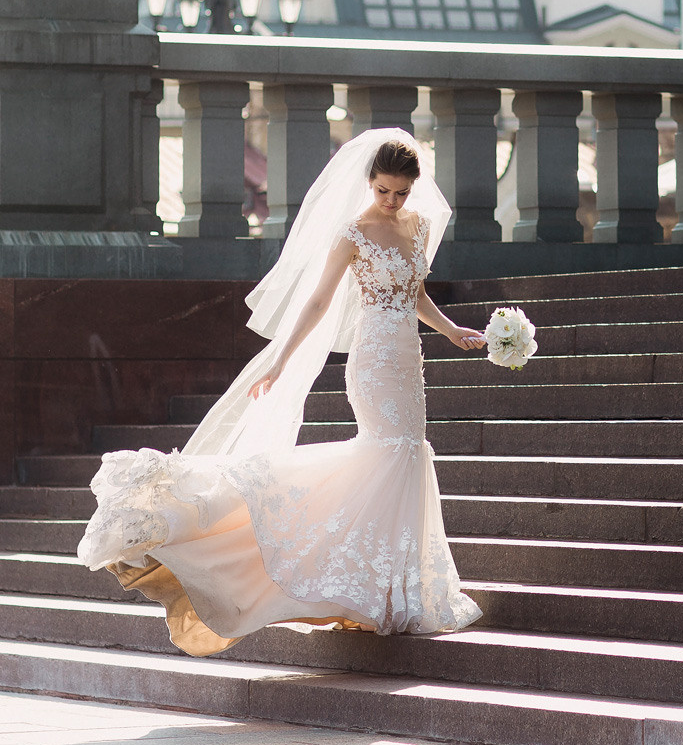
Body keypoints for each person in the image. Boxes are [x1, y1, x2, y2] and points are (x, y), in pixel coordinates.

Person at [77, 128, 486, 656]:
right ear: (370, 182)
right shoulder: (354, 231)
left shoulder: (418, 226)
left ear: (413, 189)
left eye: (401, 192)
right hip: (372, 362)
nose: (391, 201)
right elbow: (317, 302)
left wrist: (453, 331)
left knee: (406, 458)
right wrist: (280, 359)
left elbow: (416, 294)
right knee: (386, 453)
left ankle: (393, 591)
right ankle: (248, 514)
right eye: (383, 190)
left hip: (408, 359)